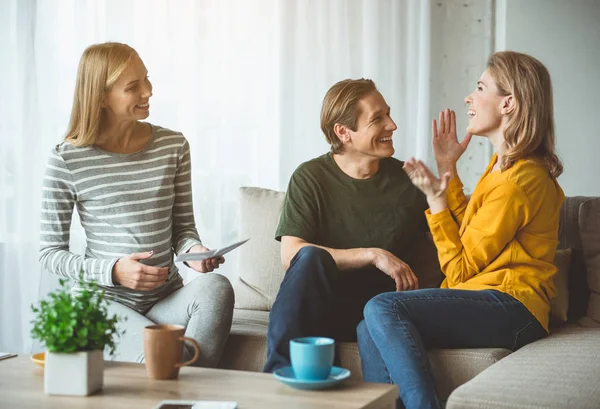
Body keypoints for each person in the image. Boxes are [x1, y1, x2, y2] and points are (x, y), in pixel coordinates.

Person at [357, 51, 565, 409]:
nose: (470, 97)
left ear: (509, 103)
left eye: (481, 87)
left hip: (514, 307)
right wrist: (448, 168)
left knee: (383, 309)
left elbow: (459, 270)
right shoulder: (503, 169)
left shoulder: (520, 180)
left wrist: (435, 202)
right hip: (493, 299)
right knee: (367, 328)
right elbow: (472, 229)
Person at [39, 42, 234, 367]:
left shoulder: (173, 145)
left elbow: (183, 229)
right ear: (100, 97)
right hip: (101, 302)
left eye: (146, 79)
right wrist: (113, 270)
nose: (148, 91)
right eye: (133, 87)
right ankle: (192, 393)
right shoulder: (67, 159)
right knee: (171, 357)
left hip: (165, 299)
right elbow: (49, 253)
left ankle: (195, 394)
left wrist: (194, 254)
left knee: (217, 288)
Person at [262, 78, 430, 373]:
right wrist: (372, 254)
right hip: (322, 310)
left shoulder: (409, 180)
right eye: (378, 119)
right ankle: (278, 381)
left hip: (381, 313)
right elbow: (292, 256)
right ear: (344, 132)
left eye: (388, 114)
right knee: (311, 257)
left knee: (377, 314)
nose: (392, 125)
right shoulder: (310, 177)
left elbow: (460, 239)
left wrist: (448, 170)